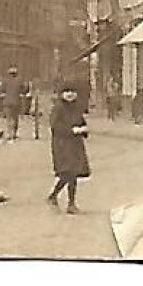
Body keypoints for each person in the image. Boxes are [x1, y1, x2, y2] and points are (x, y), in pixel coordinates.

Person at [48, 84, 91, 214]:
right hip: (62, 145)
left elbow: (81, 122)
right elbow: (55, 126)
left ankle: (60, 198)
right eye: (67, 92)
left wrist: (84, 129)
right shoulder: (58, 108)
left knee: (73, 173)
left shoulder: (76, 107)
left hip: (75, 145)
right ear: (62, 94)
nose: (70, 94)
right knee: (68, 172)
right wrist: (72, 130)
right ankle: (68, 202)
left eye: (72, 91)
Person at [0, 67, 25, 141]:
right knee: (15, 118)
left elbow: (1, 90)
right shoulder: (19, 80)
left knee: (8, 118)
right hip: (16, 102)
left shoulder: (5, 81)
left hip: (7, 102)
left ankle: (9, 133)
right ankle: (14, 133)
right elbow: (23, 90)